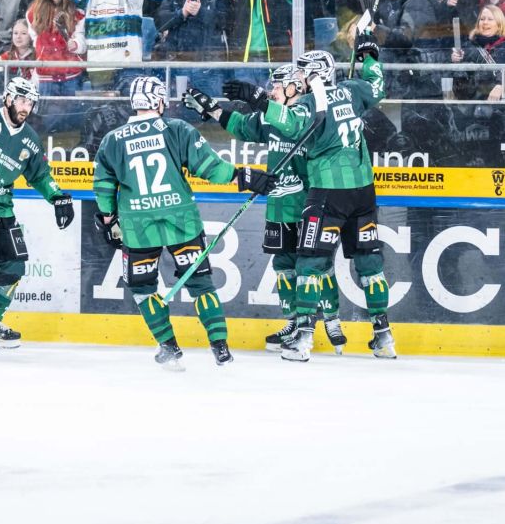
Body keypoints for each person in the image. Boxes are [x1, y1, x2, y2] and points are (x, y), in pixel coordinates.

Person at [230, 44, 394, 361]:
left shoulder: (310, 102)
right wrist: (370, 57)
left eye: (304, 72)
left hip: (328, 191)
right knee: (369, 262)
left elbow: (289, 124)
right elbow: (377, 85)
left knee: (310, 260)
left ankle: (303, 338)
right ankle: (384, 336)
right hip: (363, 191)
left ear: (314, 74)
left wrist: (261, 102)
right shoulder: (352, 90)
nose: (300, 78)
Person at [93, 75, 269, 368]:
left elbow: (103, 186)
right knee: (201, 283)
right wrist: (245, 176)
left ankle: (169, 346)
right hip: (181, 220)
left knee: (143, 289)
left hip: (138, 226)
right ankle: (220, 346)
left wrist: (110, 220)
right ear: (159, 101)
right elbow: (210, 167)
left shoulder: (112, 140)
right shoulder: (176, 129)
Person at [183, 65, 347, 352]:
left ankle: (332, 318)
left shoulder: (312, 118)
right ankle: (294, 322)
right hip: (280, 206)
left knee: (318, 264)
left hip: (313, 205)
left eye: (277, 86)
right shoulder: (271, 118)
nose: (272, 91)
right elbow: (242, 126)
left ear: (295, 87)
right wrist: (211, 109)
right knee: (283, 265)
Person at [0, 77, 74, 346]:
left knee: (15, 264)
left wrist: (58, 197)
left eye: (30, 102)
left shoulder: (29, 139)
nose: (26, 107)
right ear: (7, 99)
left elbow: (39, 175)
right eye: (21, 100)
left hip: (1, 208)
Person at [155, 0, 233, 95]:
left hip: (210, 65)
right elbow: (160, 21)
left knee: (211, 108)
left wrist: (201, 12)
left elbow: (227, 22)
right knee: (182, 105)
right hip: (179, 63)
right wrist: (182, 13)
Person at [26, 0, 85, 94]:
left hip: (71, 75)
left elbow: (81, 38)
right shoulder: (34, 12)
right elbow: (34, 38)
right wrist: (43, 52)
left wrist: (75, 45)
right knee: (48, 113)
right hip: (46, 76)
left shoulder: (75, 10)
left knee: (72, 112)